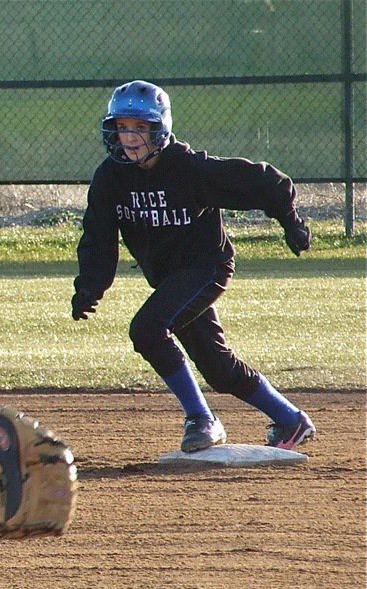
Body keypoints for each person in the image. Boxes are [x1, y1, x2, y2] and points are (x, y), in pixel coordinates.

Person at [72, 80, 315, 453]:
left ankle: (201, 419)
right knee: (217, 366)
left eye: (140, 127)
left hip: (207, 268)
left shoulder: (186, 167)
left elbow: (261, 180)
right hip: (169, 279)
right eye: (122, 127)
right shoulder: (110, 178)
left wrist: (290, 219)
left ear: (160, 128)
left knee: (147, 329)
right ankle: (290, 419)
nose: (130, 137)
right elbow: (98, 237)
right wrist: (90, 285)